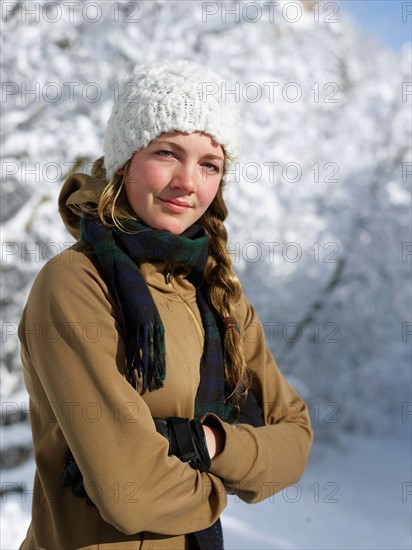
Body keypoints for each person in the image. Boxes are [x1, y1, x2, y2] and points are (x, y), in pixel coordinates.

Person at [18, 60, 313, 550]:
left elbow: (296, 438)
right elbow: (132, 495)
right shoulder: (76, 283)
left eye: (209, 164)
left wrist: (207, 442)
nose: (187, 182)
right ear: (124, 161)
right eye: (167, 153)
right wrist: (231, 479)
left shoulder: (219, 295)